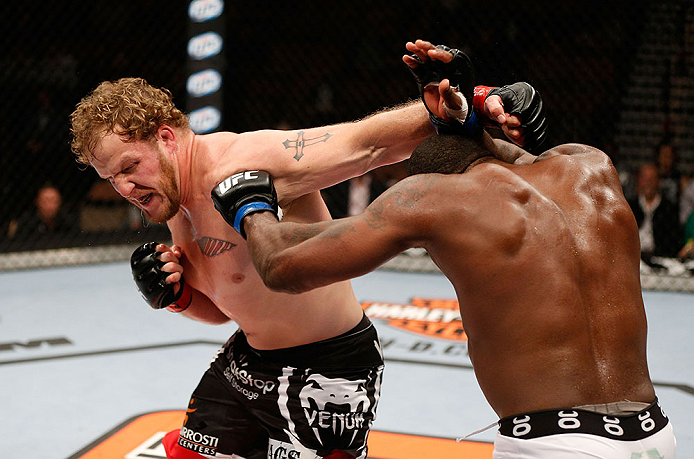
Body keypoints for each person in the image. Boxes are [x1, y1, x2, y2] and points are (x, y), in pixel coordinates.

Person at [68, 39, 540, 459]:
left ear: (166, 139)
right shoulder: (171, 197)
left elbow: (365, 144)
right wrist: (177, 297)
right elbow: (226, 306)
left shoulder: (246, 160)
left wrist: (474, 102)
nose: (125, 186)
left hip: (329, 370)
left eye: (129, 166)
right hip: (249, 362)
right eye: (111, 179)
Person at [226, 78, 677, 458]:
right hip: (655, 431)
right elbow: (520, 158)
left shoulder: (433, 198)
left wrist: (250, 207)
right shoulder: (592, 166)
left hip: (557, 444)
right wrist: (481, 106)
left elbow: (283, 265)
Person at [628, 163, 682, 260]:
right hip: (632, 259)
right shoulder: (629, 207)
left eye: (652, 179)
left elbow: (673, 242)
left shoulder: (669, 209)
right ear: (639, 181)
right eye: (644, 178)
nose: (648, 182)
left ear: (659, 181)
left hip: (660, 259)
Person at [7, 182, 78, 242]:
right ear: (37, 202)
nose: (50, 206)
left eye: (54, 201)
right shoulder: (26, 222)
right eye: (45, 201)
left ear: (60, 202)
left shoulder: (68, 221)